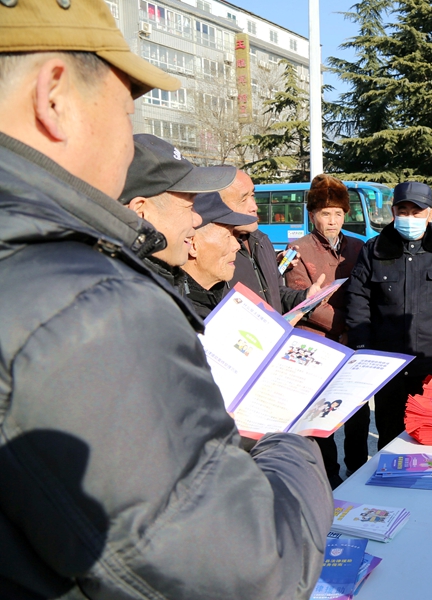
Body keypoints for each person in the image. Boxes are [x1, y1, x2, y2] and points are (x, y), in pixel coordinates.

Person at [0, 2, 332, 598]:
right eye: (126, 114)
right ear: (54, 97)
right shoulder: (84, 301)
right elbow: (247, 572)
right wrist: (290, 437)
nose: (129, 148)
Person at [346, 181, 432, 450]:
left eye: (417, 212)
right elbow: (359, 300)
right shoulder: (374, 251)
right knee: (390, 437)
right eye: (403, 211)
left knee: (431, 437)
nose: (409, 218)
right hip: (387, 365)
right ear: (393, 212)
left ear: (430, 214)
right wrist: (361, 346)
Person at [284, 174, 364, 487]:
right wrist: (348, 323)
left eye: (338, 214)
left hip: (353, 343)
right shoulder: (297, 250)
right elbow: (304, 299)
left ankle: (357, 468)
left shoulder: (359, 247)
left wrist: (356, 330)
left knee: (357, 413)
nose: (332, 221)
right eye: (325, 213)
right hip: (317, 343)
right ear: (312, 215)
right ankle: (328, 475)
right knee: (321, 415)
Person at [120, 134, 237, 296]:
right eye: (189, 207)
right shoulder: (125, 300)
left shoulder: (150, 285)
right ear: (141, 213)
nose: (197, 220)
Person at [222, 169, 321, 313]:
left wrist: (305, 297)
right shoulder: (215, 252)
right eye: (243, 199)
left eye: (253, 195)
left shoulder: (262, 241)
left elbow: (275, 293)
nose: (254, 207)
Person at [182, 192, 257, 318]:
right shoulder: (176, 314)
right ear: (192, 245)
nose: (237, 246)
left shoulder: (220, 300)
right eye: (227, 236)